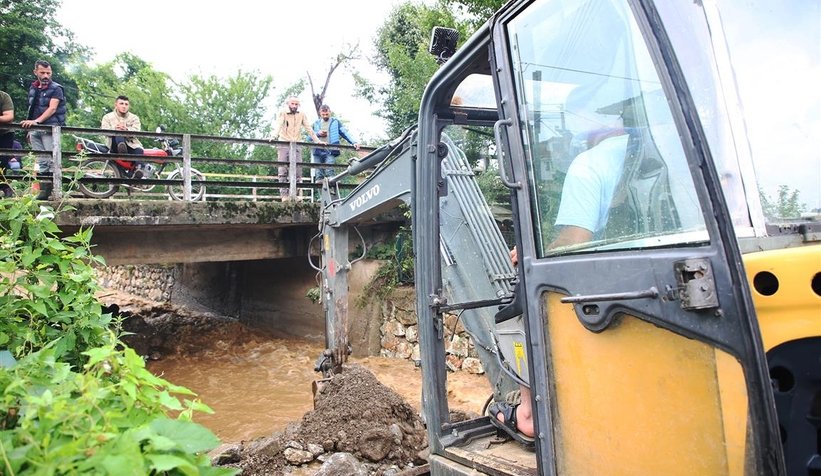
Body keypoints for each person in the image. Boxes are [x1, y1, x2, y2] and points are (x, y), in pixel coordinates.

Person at [20, 60, 67, 200]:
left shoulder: (56, 88)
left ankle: (54, 191)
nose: (46, 75)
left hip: (50, 128)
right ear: (35, 72)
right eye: (42, 72)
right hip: (35, 128)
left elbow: (52, 108)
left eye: (48, 73)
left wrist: (36, 122)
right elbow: (32, 108)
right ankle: (44, 191)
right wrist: (30, 129)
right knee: (41, 160)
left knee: (52, 159)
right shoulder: (33, 88)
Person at [271, 96, 322, 199]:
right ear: (288, 104)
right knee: (282, 170)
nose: (294, 106)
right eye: (292, 104)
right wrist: (273, 136)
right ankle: (284, 196)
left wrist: (317, 141)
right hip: (284, 142)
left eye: (296, 104)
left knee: (298, 171)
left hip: (297, 143)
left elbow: (308, 128)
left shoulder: (301, 114)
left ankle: (295, 195)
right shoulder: (283, 113)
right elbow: (278, 125)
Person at [311, 104, 359, 182]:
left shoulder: (335, 122)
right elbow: (309, 137)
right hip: (318, 149)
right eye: (323, 114)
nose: (325, 116)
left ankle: (332, 183)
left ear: (330, 112)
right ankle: (320, 182)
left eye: (327, 114)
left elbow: (344, 133)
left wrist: (354, 142)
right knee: (318, 173)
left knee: (330, 169)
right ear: (320, 113)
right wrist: (318, 134)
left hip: (331, 148)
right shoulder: (316, 123)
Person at [101, 95, 147, 177]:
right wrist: (115, 129)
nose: (124, 106)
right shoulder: (107, 117)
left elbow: (137, 131)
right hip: (113, 145)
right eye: (121, 103)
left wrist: (127, 129)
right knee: (119, 133)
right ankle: (122, 149)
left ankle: (138, 171)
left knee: (139, 150)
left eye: (126, 104)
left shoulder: (134, 118)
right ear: (116, 105)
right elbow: (104, 130)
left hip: (130, 145)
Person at [0, 90, 15, 197]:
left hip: (4, 133)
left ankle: (4, 188)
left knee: (2, 163)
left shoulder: (3, 96)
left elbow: (9, 116)